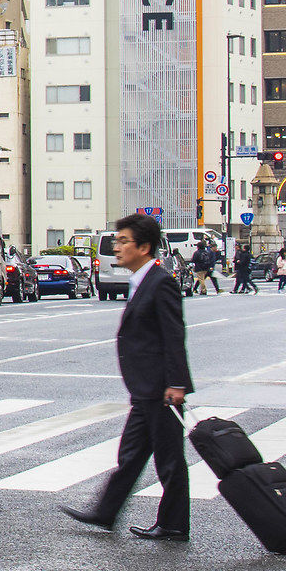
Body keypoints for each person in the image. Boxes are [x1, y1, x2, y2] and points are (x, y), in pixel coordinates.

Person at [61, 212, 195, 541]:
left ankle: (174, 524)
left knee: (169, 460)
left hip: (161, 389)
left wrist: (176, 384)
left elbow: (173, 335)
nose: (116, 248)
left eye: (123, 242)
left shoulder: (160, 281)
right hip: (145, 388)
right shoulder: (141, 280)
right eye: (116, 241)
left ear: (145, 247)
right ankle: (106, 512)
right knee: (132, 454)